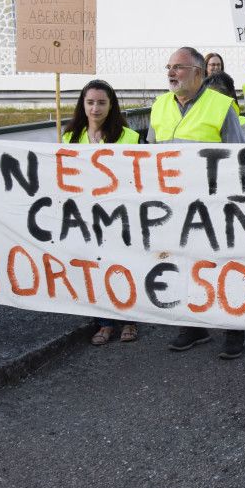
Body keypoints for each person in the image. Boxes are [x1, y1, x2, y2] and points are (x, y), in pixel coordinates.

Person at [150, 47, 245, 358]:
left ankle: (234, 329)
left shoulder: (221, 106)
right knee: (183, 263)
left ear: (198, 72)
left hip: (214, 204)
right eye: (169, 67)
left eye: (178, 67)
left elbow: (237, 157)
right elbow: (150, 155)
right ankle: (194, 326)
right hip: (174, 205)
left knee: (223, 265)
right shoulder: (160, 105)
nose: (171, 73)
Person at [62, 80, 144, 345]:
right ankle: (105, 323)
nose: (95, 108)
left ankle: (130, 320)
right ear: (82, 105)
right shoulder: (69, 138)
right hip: (85, 216)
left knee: (123, 265)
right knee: (95, 268)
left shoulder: (128, 137)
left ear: (111, 105)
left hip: (119, 214)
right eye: (90, 102)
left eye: (101, 102)